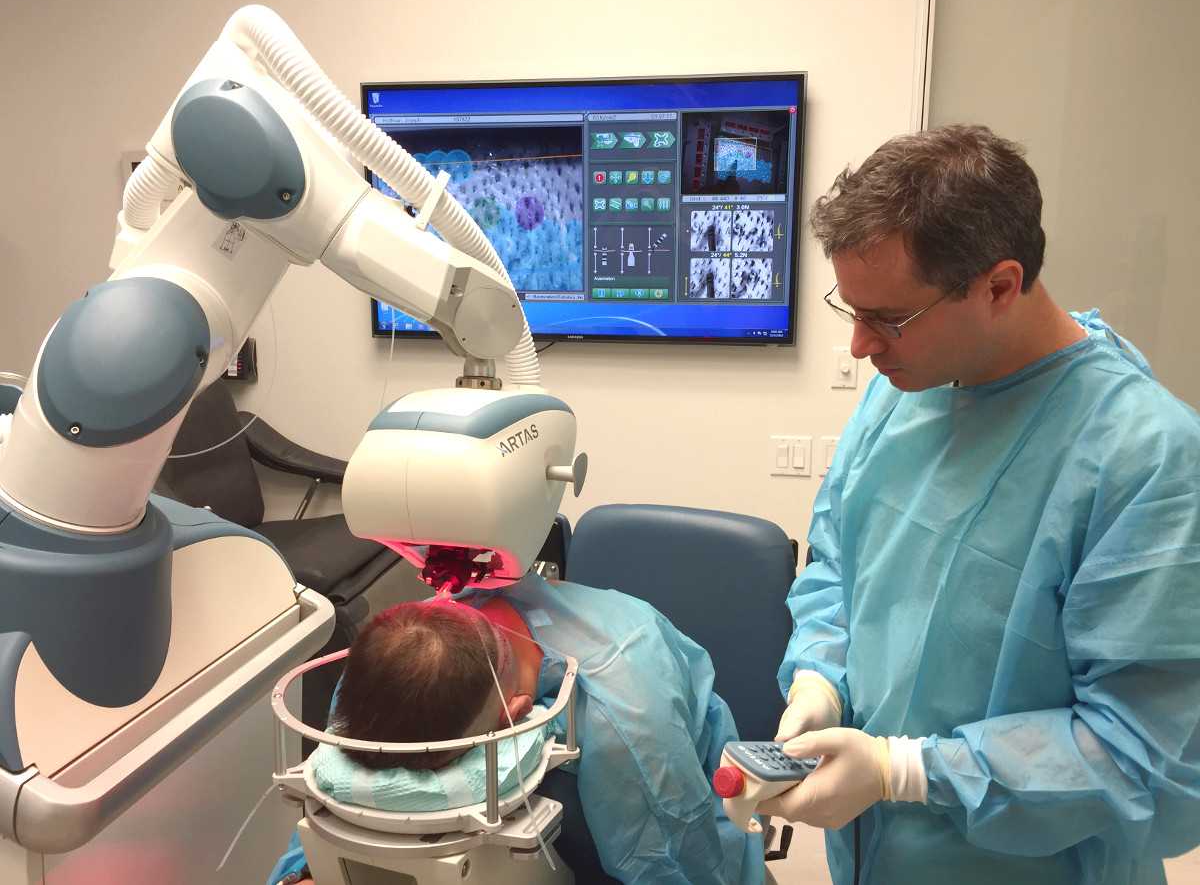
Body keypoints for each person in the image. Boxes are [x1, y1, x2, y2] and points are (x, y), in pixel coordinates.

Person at [767, 124, 1200, 884]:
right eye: (851, 311)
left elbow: (1147, 752)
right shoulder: (904, 394)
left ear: (999, 285)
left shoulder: (1146, 457)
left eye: (888, 319)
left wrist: (907, 771)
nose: (861, 346)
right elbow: (840, 566)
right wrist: (821, 679)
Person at [268, 572, 765, 885]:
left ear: (515, 712)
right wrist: (306, 873)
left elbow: (679, 855)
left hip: (668, 807)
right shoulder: (394, 660)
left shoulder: (627, 724)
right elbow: (347, 795)